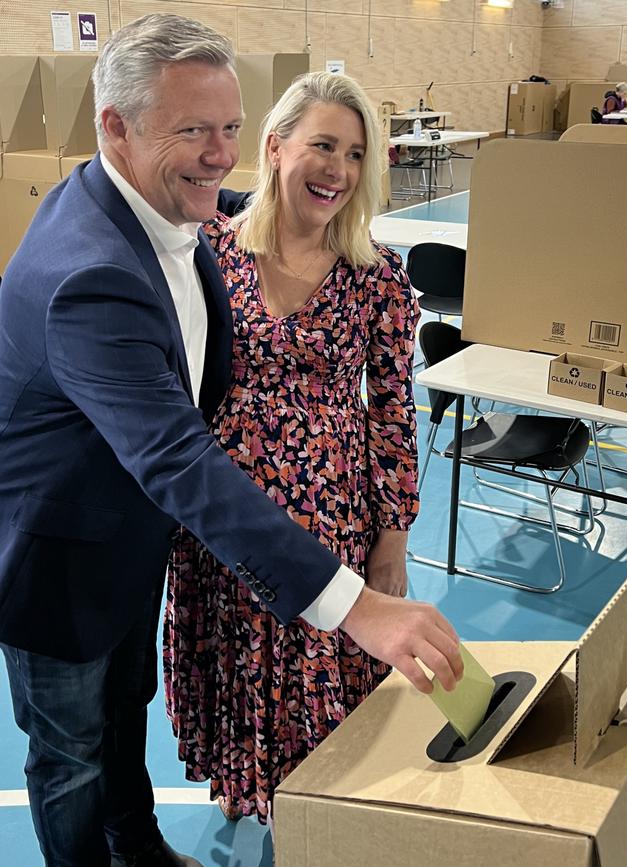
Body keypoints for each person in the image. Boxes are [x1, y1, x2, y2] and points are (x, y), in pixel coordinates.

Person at [0, 14, 463, 867]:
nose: (219, 154)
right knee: (68, 753)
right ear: (116, 125)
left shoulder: (176, 213)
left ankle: (138, 846)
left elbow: (284, 218)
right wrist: (358, 605)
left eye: (229, 130)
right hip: (64, 554)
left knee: (122, 712)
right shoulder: (92, 270)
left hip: (152, 533)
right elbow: (179, 460)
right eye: (192, 131)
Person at [164, 71, 420, 825]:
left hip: (330, 523)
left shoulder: (376, 277)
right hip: (223, 517)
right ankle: (257, 800)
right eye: (322, 145)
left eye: (353, 153)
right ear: (275, 148)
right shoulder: (204, 253)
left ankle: (318, 821)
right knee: (242, 672)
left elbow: (393, 412)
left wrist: (393, 534)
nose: (337, 169)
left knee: (318, 680)